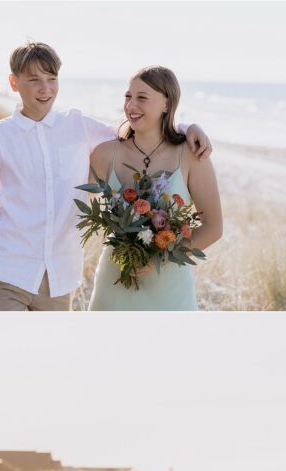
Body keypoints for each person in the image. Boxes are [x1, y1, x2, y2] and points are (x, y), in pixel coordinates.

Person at [0, 42, 211, 311]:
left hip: (59, 279)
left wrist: (187, 128)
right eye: (34, 80)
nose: (45, 88)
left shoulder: (78, 126)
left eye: (52, 79)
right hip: (8, 270)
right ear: (13, 82)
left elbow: (137, 131)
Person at [87, 66, 223, 311]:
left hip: (169, 289)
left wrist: (161, 257)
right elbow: (62, 193)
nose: (131, 105)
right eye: (128, 96)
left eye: (142, 97)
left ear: (167, 104)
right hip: (114, 283)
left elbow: (213, 227)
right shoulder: (105, 154)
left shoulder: (191, 155)